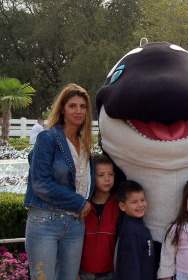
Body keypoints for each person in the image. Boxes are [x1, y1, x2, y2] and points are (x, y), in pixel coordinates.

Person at [23, 83, 95, 280]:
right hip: (45, 221)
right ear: (62, 109)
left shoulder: (85, 144)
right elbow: (40, 184)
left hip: (74, 225)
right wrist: (79, 203)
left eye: (83, 106)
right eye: (72, 105)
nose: (78, 111)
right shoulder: (48, 138)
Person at [79, 154, 119, 280]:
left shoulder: (119, 205)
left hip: (111, 272)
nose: (107, 179)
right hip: (84, 272)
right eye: (101, 175)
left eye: (111, 174)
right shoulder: (83, 206)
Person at [114, 180, 155, 280]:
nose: (140, 205)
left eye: (142, 200)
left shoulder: (139, 227)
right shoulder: (131, 232)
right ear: (122, 206)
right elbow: (129, 267)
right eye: (134, 202)